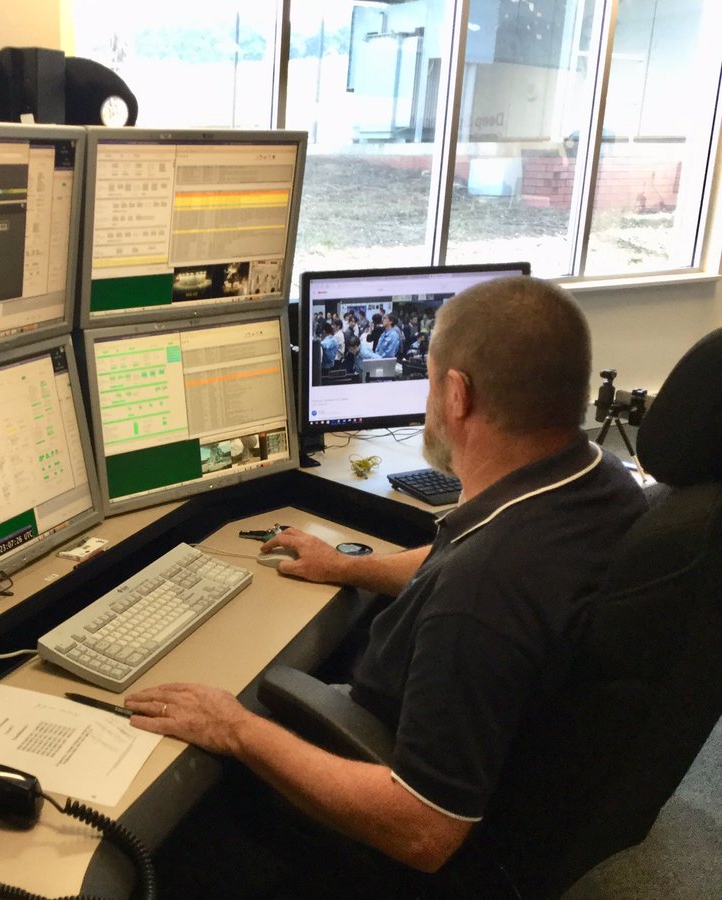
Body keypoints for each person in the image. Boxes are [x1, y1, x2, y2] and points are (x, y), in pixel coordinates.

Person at [125, 276, 647, 897]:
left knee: (198, 793)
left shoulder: (484, 595)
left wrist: (237, 728)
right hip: (514, 764)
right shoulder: (598, 479)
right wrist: (349, 568)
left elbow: (425, 831)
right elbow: (461, 554)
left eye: (428, 380)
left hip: (414, 824)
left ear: (456, 395)